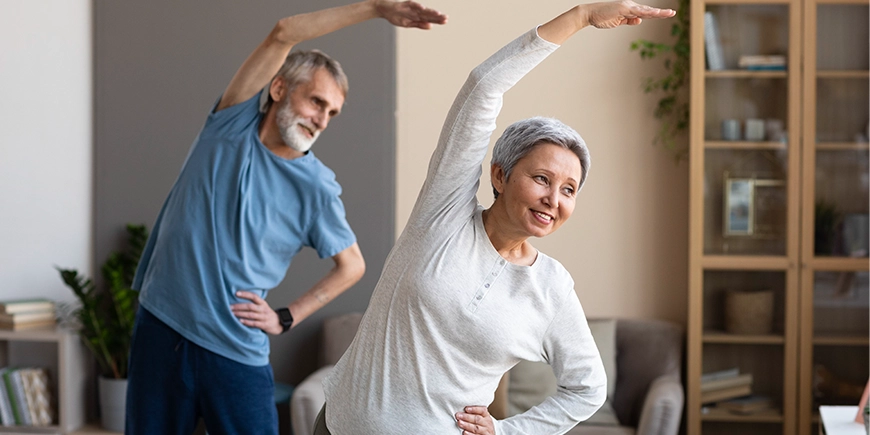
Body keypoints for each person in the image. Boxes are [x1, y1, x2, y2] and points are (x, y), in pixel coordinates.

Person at [318, 2, 675, 434]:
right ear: (500, 176)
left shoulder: (551, 288)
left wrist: (507, 431)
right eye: (541, 178)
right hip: (339, 426)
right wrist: (580, 17)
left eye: (568, 189)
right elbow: (483, 87)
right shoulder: (443, 215)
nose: (552, 199)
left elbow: (588, 388)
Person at [125, 2, 447, 434]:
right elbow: (283, 32)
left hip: (234, 351)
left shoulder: (317, 188)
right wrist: (375, 8)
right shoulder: (230, 123)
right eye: (317, 102)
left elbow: (353, 265)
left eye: (332, 113)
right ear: (278, 88)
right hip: (161, 330)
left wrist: (287, 316)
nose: (322, 120)